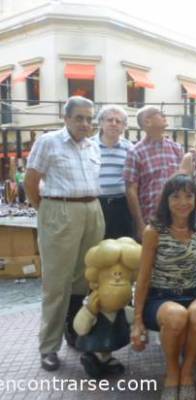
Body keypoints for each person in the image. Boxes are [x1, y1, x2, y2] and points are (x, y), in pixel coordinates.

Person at [24, 96, 105, 371]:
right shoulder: (48, 142)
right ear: (66, 117)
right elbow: (31, 181)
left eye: (88, 118)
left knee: (85, 279)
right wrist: (46, 211)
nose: (85, 123)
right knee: (56, 284)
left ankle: (74, 331)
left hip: (92, 210)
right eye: (79, 117)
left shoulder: (93, 144)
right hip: (60, 210)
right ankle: (48, 347)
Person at [131, 174, 196, 400]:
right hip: (159, 297)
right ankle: (171, 371)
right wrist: (137, 319)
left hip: (194, 292)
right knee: (177, 316)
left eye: (189, 196)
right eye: (176, 196)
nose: (183, 202)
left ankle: (187, 372)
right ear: (166, 200)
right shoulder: (154, 231)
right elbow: (144, 276)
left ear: (195, 198)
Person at [124, 106, 184, 241]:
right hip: (151, 220)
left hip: (177, 218)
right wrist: (140, 224)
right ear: (147, 122)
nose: (164, 116)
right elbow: (131, 190)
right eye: (160, 114)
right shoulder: (135, 152)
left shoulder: (176, 148)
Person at [93, 105, 133, 239]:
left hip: (122, 205)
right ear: (101, 123)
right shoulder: (88, 145)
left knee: (123, 245)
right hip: (96, 204)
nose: (114, 124)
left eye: (118, 121)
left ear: (124, 126)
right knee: (95, 245)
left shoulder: (130, 148)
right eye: (110, 120)